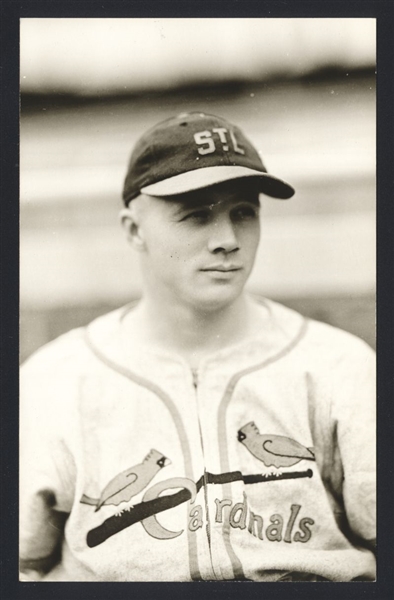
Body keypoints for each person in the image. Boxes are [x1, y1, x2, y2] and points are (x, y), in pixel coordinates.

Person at [19, 111, 376, 582]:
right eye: (196, 215)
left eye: (243, 213)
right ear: (133, 230)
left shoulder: (338, 366)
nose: (227, 240)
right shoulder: (56, 381)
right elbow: (21, 566)